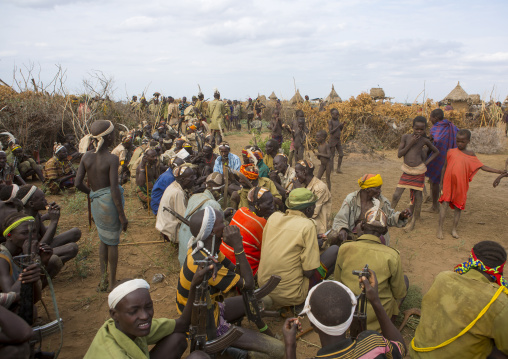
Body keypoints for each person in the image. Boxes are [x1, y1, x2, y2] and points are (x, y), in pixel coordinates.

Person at [177, 208, 284, 358]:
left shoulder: (205, 250)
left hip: (211, 308)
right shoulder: (207, 264)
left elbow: (236, 271)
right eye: (223, 222)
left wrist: (237, 252)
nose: (227, 225)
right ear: (213, 231)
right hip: (204, 323)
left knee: (265, 300)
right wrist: (238, 246)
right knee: (279, 350)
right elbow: (248, 284)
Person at [410, 241, 508, 358]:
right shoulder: (499, 301)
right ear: (500, 270)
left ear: (470, 260)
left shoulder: (444, 277)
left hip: (418, 354)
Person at [282, 270, 407, 359]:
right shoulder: (373, 342)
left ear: (312, 324)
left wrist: (290, 346)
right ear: (350, 319)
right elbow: (400, 348)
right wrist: (375, 301)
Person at [85, 276, 213, 359]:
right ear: (114, 314)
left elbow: (182, 324)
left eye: (148, 307)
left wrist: (194, 286)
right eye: (133, 311)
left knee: (177, 338)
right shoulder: (114, 355)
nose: (145, 316)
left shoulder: (124, 326)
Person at [258, 188, 339, 309]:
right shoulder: (308, 226)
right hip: (291, 295)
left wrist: (311, 242)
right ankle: (304, 300)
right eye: (313, 207)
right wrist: (312, 247)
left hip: (264, 288)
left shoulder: (273, 218)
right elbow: (308, 271)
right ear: (308, 209)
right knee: (334, 251)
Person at [334, 201, 408, 332]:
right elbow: (399, 293)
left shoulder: (345, 248)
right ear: (384, 231)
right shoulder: (392, 255)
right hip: (377, 322)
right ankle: (389, 328)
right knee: (404, 282)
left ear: (361, 225)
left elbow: (338, 282)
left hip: (346, 319)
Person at [76, 120, 128, 292]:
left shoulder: (86, 157)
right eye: (113, 134)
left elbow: (77, 183)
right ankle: (112, 283)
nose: (115, 136)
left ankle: (103, 280)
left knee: (103, 240)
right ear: (108, 137)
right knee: (112, 242)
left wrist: (92, 193)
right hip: (110, 205)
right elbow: (114, 189)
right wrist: (122, 215)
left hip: (97, 202)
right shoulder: (112, 159)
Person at [437, 129, 506, 239]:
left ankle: (454, 229)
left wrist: (498, 171)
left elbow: (482, 166)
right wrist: (440, 182)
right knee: (444, 204)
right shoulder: (450, 152)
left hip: (461, 185)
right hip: (448, 183)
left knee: (458, 206)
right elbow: (444, 167)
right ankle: (440, 229)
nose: (459, 144)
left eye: (462, 142)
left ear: (468, 141)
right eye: (457, 141)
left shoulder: (470, 154)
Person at [15, 185, 80, 275]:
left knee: (75, 232)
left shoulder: (35, 214)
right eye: (42, 199)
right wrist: (54, 221)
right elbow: (39, 247)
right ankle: (45, 271)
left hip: (41, 248)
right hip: (33, 255)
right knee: (72, 248)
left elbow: (46, 237)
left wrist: (50, 218)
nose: (46, 201)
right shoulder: (26, 222)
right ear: (31, 204)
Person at [333, 174, 411, 246]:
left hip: (375, 236)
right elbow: (340, 218)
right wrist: (342, 229)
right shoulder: (351, 200)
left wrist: (400, 216)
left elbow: (390, 218)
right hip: (354, 234)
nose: (380, 191)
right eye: (377, 188)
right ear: (367, 189)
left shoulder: (382, 201)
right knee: (334, 236)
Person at [391, 116, 439, 231]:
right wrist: (411, 143)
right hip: (407, 170)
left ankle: (415, 219)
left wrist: (425, 163)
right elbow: (399, 154)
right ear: (412, 127)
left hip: (419, 171)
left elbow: (436, 152)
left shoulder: (424, 141)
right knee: (396, 194)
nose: (419, 131)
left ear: (425, 130)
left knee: (418, 196)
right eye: (416, 129)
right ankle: (390, 214)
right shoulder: (406, 137)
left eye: (421, 129)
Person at [220, 186, 274, 275]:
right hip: (242, 271)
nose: (272, 207)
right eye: (269, 204)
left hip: (224, 263)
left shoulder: (241, 210)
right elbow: (267, 251)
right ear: (257, 206)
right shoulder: (261, 223)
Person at [0, 212, 50, 308]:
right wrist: (29, 259)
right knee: (27, 309)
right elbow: (10, 297)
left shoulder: (20, 251)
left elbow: (35, 296)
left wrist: (43, 262)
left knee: (53, 262)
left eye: (34, 231)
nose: (32, 236)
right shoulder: (2, 259)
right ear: (9, 236)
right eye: (24, 233)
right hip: (5, 307)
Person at [177, 172, 224, 265]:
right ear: (220, 189)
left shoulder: (194, 197)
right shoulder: (214, 205)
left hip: (184, 255)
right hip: (196, 261)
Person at [425, 109, 458, 213]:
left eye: (430, 117)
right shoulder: (452, 126)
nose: (430, 119)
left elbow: (437, 139)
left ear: (435, 118)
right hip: (451, 156)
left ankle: (435, 206)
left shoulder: (436, 128)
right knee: (443, 181)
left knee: (435, 181)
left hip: (439, 157)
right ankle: (442, 202)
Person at [156, 165, 196, 243]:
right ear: (183, 179)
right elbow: (184, 218)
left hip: (163, 225)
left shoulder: (174, 185)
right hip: (169, 230)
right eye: (191, 178)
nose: (194, 179)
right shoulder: (178, 193)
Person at [294, 160, 331, 234]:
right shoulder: (304, 184)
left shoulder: (320, 188)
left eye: (297, 172)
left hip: (318, 228)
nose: (295, 176)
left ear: (304, 172)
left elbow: (313, 213)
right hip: (307, 223)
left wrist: (299, 190)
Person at [328, 108, 345, 173]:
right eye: (336, 115)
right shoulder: (330, 121)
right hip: (332, 140)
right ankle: (331, 169)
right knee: (332, 155)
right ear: (332, 114)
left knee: (341, 154)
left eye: (338, 115)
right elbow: (330, 131)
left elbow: (340, 130)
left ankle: (338, 169)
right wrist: (338, 126)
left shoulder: (337, 121)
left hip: (338, 140)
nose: (337, 116)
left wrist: (342, 125)